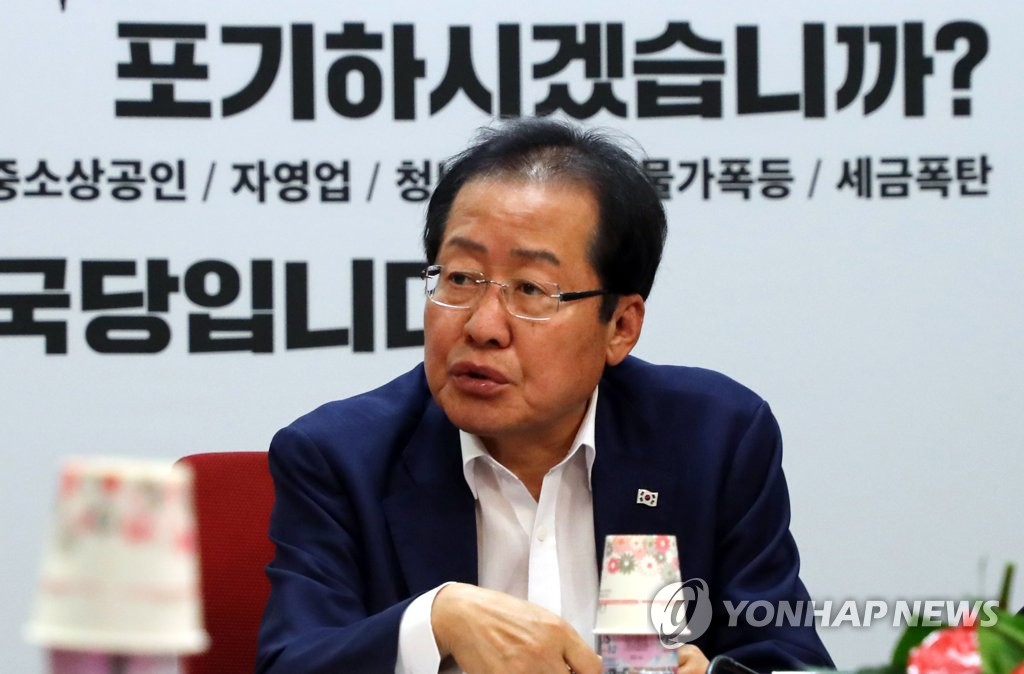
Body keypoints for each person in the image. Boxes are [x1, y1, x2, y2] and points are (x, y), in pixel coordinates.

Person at [255, 118, 833, 674]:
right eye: (460, 278)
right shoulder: (340, 458)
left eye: (531, 289)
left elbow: (787, 657)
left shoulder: (711, 439)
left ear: (620, 327)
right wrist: (434, 621)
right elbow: (293, 661)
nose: (483, 326)